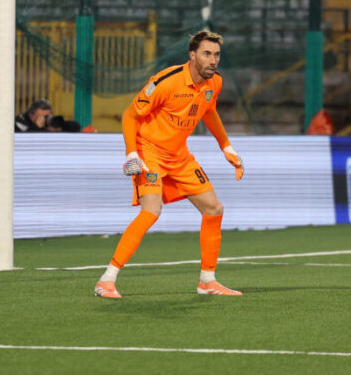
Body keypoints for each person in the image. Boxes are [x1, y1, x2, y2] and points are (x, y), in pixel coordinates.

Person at [94, 30, 245, 299]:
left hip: (179, 156)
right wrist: (131, 154)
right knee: (151, 210)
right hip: (149, 152)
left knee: (214, 209)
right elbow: (130, 115)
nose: (213, 60)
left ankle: (207, 282)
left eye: (216, 55)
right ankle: (106, 280)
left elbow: (209, 112)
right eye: (207, 54)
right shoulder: (166, 81)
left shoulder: (215, 83)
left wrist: (226, 147)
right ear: (192, 55)